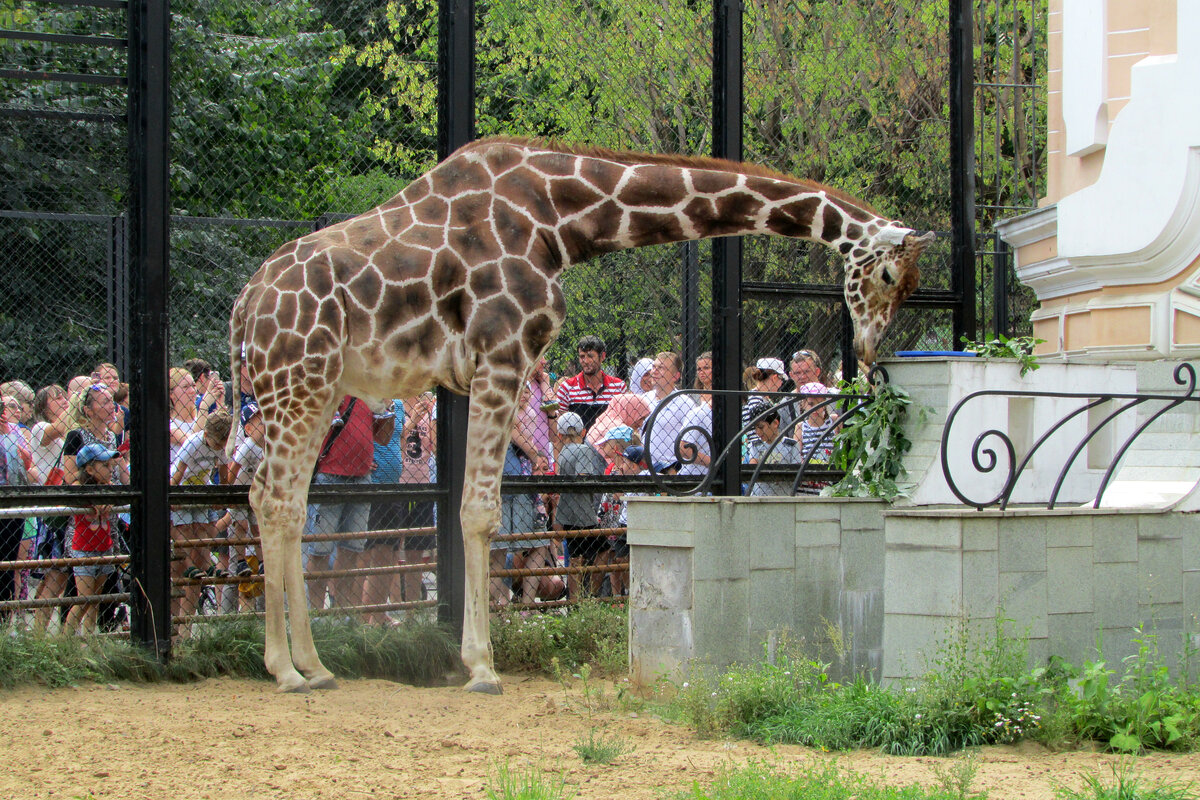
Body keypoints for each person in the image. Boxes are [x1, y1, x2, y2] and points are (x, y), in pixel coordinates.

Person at [303, 396, 392, 611]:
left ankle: (343, 615)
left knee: (351, 550)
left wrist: (387, 408)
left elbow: (383, 438)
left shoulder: (370, 391)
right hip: (329, 475)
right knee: (320, 551)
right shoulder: (334, 386)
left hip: (362, 477)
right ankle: (315, 616)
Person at [170, 411, 232, 622]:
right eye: (217, 442)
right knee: (185, 531)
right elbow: (178, 472)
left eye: (223, 442)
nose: (219, 447)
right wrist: (173, 497)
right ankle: (189, 566)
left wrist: (222, 495)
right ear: (206, 434)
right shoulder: (193, 444)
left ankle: (207, 564)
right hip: (184, 487)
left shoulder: (221, 447)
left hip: (202, 487)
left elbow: (223, 473)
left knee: (204, 528)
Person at [64, 443, 120, 635]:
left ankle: (89, 638)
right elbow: (75, 488)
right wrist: (95, 500)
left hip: (104, 547)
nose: (111, 470)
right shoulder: (80, 487)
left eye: (112, 466)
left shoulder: (108, 487)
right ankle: (66, 640)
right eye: (105, 466)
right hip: (84, 549)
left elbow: (116, 496)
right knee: (84, 599)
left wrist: (109, 500)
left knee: (95, 599)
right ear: (89, 469)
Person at [29, 385, 72, 631]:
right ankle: (39, 631)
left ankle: (48, 629)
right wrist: (75, 402)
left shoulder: (71, 429)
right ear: (44, 408)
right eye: (57, 398)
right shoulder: (39, 429)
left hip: (69, 508)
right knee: (56, 574)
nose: (64, 401)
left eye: (65, 397)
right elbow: (56, 429)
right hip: (54, 510)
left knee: (61, 576)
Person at [553, 411, 608, 599]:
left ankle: (575, 601)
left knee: (575, 556)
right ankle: (590, 595)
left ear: (560, 434)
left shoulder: (562, 453)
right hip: (583, 511)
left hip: (567, 510)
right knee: (604, 549)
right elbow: (583, 477)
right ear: (583, 432)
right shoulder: (583, 450)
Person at [364, 398, 404, 624]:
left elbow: (399, 437)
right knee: (370, 554)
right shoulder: (370, 397)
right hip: (373, 484)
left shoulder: (398, 404)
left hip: (394, 486)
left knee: (389, 553)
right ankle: (364, 616)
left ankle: (379, 614)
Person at [0, 398, 37, 613]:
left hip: (14, 505)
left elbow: (28, 464)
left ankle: (5, 622)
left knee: (9, 564)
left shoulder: (14, 430)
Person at [555, 335, 627, 432]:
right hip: (577, 445)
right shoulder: (567, 387)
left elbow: (624, 420)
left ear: (602, 356)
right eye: (582, 356)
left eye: (590, 356)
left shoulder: (618, 387)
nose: (585, 361)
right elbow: (560, 424)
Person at [642, 351, 693, 468]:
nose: (654, 371)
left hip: (670, 468)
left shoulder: (685, 403)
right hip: (644, 466)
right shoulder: (644, 398)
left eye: (661, 368)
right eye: (654, 367)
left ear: (676, 376)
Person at [745, 407, 806, 496]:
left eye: (761, 427)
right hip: (759, 497)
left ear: (775, 423)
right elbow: (753, 468)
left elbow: (796, 475)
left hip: (782, 498)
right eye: (755, 428)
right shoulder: (755, 445)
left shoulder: (791, 445)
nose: (757, 432)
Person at [742, 357, 787, 449]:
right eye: (781, 379)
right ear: (775, 378)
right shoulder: (756, 397)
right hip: (758, 449)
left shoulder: (762, 397)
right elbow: (757, 431)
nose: (781, 383)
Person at [584, 392, 650, 451]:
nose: (641, 424)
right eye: (640, 418)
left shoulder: (606, 419)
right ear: (630, 410)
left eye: (644, 419)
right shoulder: (619, 428)